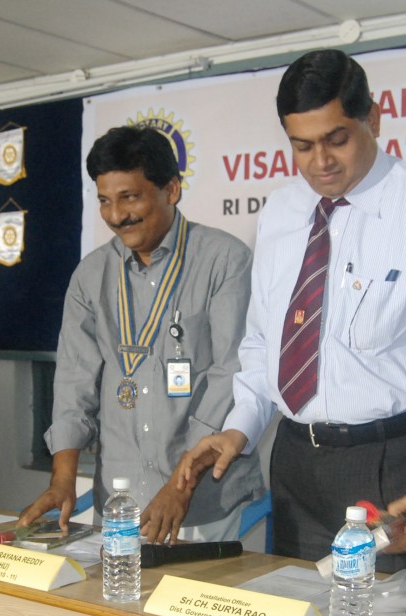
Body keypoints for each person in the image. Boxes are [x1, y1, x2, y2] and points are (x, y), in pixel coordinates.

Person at [179, 49, 406, 578]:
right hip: (298, 465)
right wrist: (239, 428)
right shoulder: (281, 212)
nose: (321, 161)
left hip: (401, 466)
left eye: (337, 139)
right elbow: (266, 342)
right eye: (302, 146)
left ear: (373, 120)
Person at [18, 126, 263, 544]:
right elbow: (74, 381)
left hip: (205, 501)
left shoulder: (224, 260)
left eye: (129, 197)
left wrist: (181, 484)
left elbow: (232, 374)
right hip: (119, 499)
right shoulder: (91, 275)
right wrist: (63, 480)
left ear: (171, 190)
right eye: (104, 201)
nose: (116, 216)